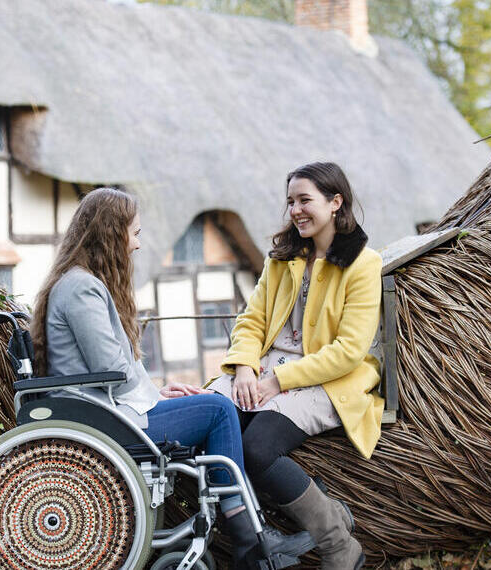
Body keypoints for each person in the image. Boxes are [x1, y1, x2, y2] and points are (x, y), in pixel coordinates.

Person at [30, 187, 313, 569]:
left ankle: (250, 536)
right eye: (135, 233)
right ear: (112, 234)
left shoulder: (77, 283)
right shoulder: (81, 288)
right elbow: (109, 365)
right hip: (102, 421)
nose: (137, 244)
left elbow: (109, 370)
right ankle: (249, 538)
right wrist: (156, 398)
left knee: (213, 405)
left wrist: (159, 392)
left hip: (105, 411)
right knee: (218, 408)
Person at [207, 162, 383, 570]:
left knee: (257, 449)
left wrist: (278, 382)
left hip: (326, 379)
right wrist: (247, 369)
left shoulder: (363, 262)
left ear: (336, 202)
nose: (296, 210)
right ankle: (253, 544)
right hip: (264, 369)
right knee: (211, 420)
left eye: (305, 200)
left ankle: (338, 542)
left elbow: (349, 350)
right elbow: (250, 321)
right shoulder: (281, 259)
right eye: (291, 202)